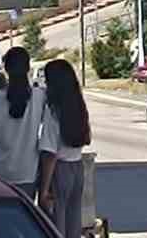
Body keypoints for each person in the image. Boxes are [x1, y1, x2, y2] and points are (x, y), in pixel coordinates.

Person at [0, 46, 44, 198]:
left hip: (1, 175)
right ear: (28, 68)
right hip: (29, 174)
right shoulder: (39, 97)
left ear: (6, 69)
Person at [38, 58, 91, 238]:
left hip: (59, 170)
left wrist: (44, 190)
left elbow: (50, 153)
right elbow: (86, 138)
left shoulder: (53, 110)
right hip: (77, 167)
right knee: (73, 222)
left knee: (56, 225)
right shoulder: (78, 106)